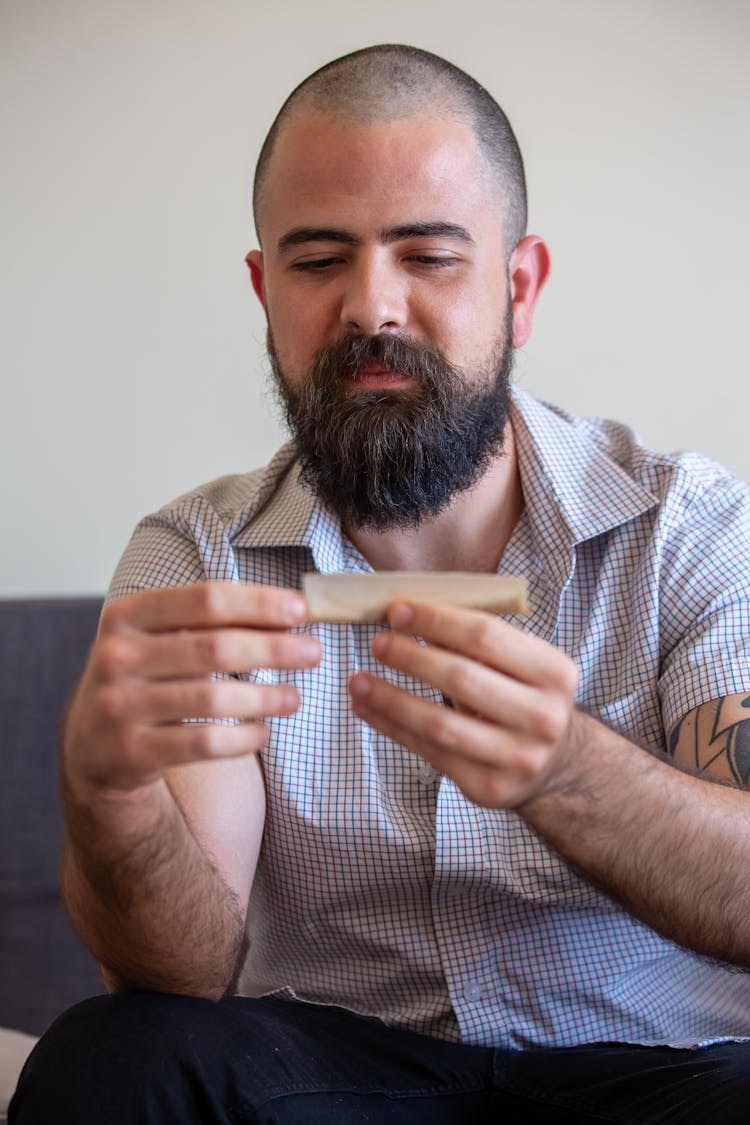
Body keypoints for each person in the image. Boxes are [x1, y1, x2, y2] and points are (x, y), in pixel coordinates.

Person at [10, 42, 750, 1125]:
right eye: (319, 261)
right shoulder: (194, 557)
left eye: (428, 255)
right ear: (265, 292)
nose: (373, 307)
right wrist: (103, 797)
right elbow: (179, 969)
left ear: (520, 285)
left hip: (661, 1071)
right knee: (113, 1059)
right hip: (342, 1075)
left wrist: (567, 771)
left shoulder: (691, 530)